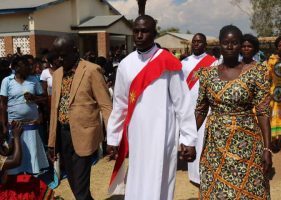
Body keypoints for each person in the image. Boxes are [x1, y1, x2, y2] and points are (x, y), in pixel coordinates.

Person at [106, 15, 197, 200]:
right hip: (137, 135)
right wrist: (113, 138)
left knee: (159, 180)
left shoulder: (168, 62)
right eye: (136, 31)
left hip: (162, 135)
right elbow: (120, 104)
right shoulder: (126, 64)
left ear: (154, 33)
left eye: (145, 31)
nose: (139, 35)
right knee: (137, 179)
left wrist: (188, 139)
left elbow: (183, 104)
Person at [195, 25, 272, 199]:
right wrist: (187, 139)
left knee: (250, 190)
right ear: (219, 45)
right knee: (215, 188)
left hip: (247, 145)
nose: (230, 46)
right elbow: (200, 110)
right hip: (215, 145)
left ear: (240, 45)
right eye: (225, 42)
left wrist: (267, 148)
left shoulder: (256, 73)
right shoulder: (207, 74)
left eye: (235, 43)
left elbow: (263, 112)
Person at [47, 35, 112, 200]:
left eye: (64, 55)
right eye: (57, 55)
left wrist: (112, 137)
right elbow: (54, 109)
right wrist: (51, 142)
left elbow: (106, 106)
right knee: (74, 184)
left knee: (81, 188)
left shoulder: (91, 70)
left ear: (75, 51)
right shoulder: (57, 74)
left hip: (85, 135)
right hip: (63, 136)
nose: (60, 59)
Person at [0, 56, 49, 175]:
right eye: (26, 65)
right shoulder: (7, 81)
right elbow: (3, 104)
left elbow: (44, 99)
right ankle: (18, 182)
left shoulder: (33, 80)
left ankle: (33, 180)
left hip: (31, 124)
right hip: (14, 125)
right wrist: (4, 125)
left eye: (30, 65)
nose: (30, 67)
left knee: (32, 157)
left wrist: (34, 98)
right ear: (16, 67)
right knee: (16, 156)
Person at [181, 33, 217, 186]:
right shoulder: (183, 63)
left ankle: (205, 173)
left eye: (199, 42)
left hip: (206, 108)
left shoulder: (213, 62)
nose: (196, 44)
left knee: (204, 141)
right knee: (191, 139)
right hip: (188, 108)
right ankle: (194, 176)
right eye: (194, 42)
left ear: (205, 44)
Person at [0, 121, 54, 199]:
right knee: (29, 191)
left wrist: (13, 134)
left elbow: (6, 152)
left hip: (5, 183)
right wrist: (16, 137)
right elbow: (16, 161)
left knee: (32, 181)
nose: (3, 135)